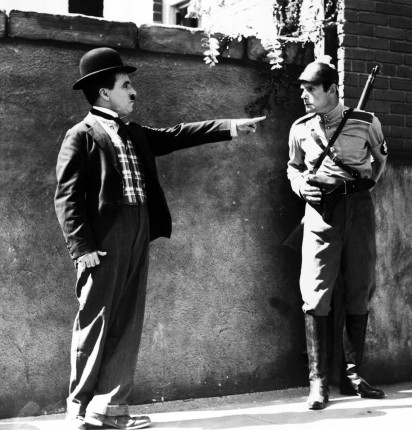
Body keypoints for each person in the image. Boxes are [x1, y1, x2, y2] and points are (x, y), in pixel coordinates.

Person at [54, 47, 265, 429]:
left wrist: (229, 126)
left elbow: (176, 135)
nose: (133, 92)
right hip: (104, 238)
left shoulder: (133, 132)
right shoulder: (80, 135)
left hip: (138, 229)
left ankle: (109, 410)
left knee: (128, 320)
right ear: (104, 92)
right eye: (126, 85)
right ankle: (78, 411)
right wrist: (82, 247)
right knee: (95, 321)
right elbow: (67, 196)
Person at [286, 57, 388, 410]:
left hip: (358, 209)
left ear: (332, 90)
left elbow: (380, 160)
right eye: (302, 89)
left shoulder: (366, 122)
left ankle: (354, 375)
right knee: (315, 293)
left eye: (311, 89)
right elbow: (293, 166)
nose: (304, 95)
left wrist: (364, 188)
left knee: (360, 287)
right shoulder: (300, 128)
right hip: (320, 211)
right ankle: (318, 383)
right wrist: (301, 187)